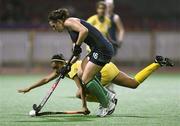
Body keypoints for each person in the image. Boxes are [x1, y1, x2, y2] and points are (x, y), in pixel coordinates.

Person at [18, 54, 174, 111]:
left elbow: (81, 88)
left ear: (61, 63)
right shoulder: (64, 67)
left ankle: (107, 99)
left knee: (79, 94)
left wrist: (84, 106)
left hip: (101, 73)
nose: (54, 70)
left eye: (55, 67)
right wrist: (30, 88)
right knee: (133, 83)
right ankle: (157, 63)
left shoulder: (71, 69)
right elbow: (46, 79)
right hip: (108, 67)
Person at [48, 8, 116, 117]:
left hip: (102, 49)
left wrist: (78, 45)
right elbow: (77, 54)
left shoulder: (69, 22)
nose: (53, 28)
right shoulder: (70, 30)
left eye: (53, 26)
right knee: (81, 72)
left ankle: (107, 104)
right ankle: (108, 94)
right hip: (96, 49)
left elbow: (84, 31)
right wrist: (67, 65)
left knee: (86, 79)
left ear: (59, 21)